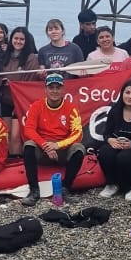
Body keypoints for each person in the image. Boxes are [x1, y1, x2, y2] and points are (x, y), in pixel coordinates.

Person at [20, 72, 85, 206]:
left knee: (79, 148)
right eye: (51, 87)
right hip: (43, 149)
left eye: (58, 87)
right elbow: (29, 129)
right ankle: (34, 190)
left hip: (62, 150)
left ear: (63, 89)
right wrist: (45, 145)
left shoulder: (71, 108)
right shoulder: (36, 106)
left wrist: (58, 145)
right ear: (45, 89)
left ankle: (66, 188)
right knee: (28, 145)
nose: (54, 91)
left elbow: (78, 133)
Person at [0, 27, 39, 152]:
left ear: (26, 41)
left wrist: (14, 84)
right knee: (7, 133)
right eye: (16, 38)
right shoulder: (4, 56)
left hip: (21, 102)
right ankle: (9, 160)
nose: (18, 41)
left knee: (16, 135)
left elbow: (30, 81)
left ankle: (17, 160)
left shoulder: (31, 58)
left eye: (22, 39)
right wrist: (3, 81)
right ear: (11, 40)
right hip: (5, 99)